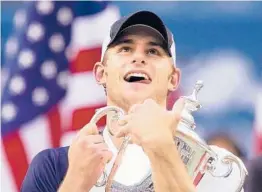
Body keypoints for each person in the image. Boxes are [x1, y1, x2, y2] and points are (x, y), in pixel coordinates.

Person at [20, 10, 245, 192]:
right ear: (100, 73)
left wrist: (162, 149)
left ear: (173, 78)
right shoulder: (54, 166)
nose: (138, 57)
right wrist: (75, 182)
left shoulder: (215, 166)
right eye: (125, 48)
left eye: (153, 52)